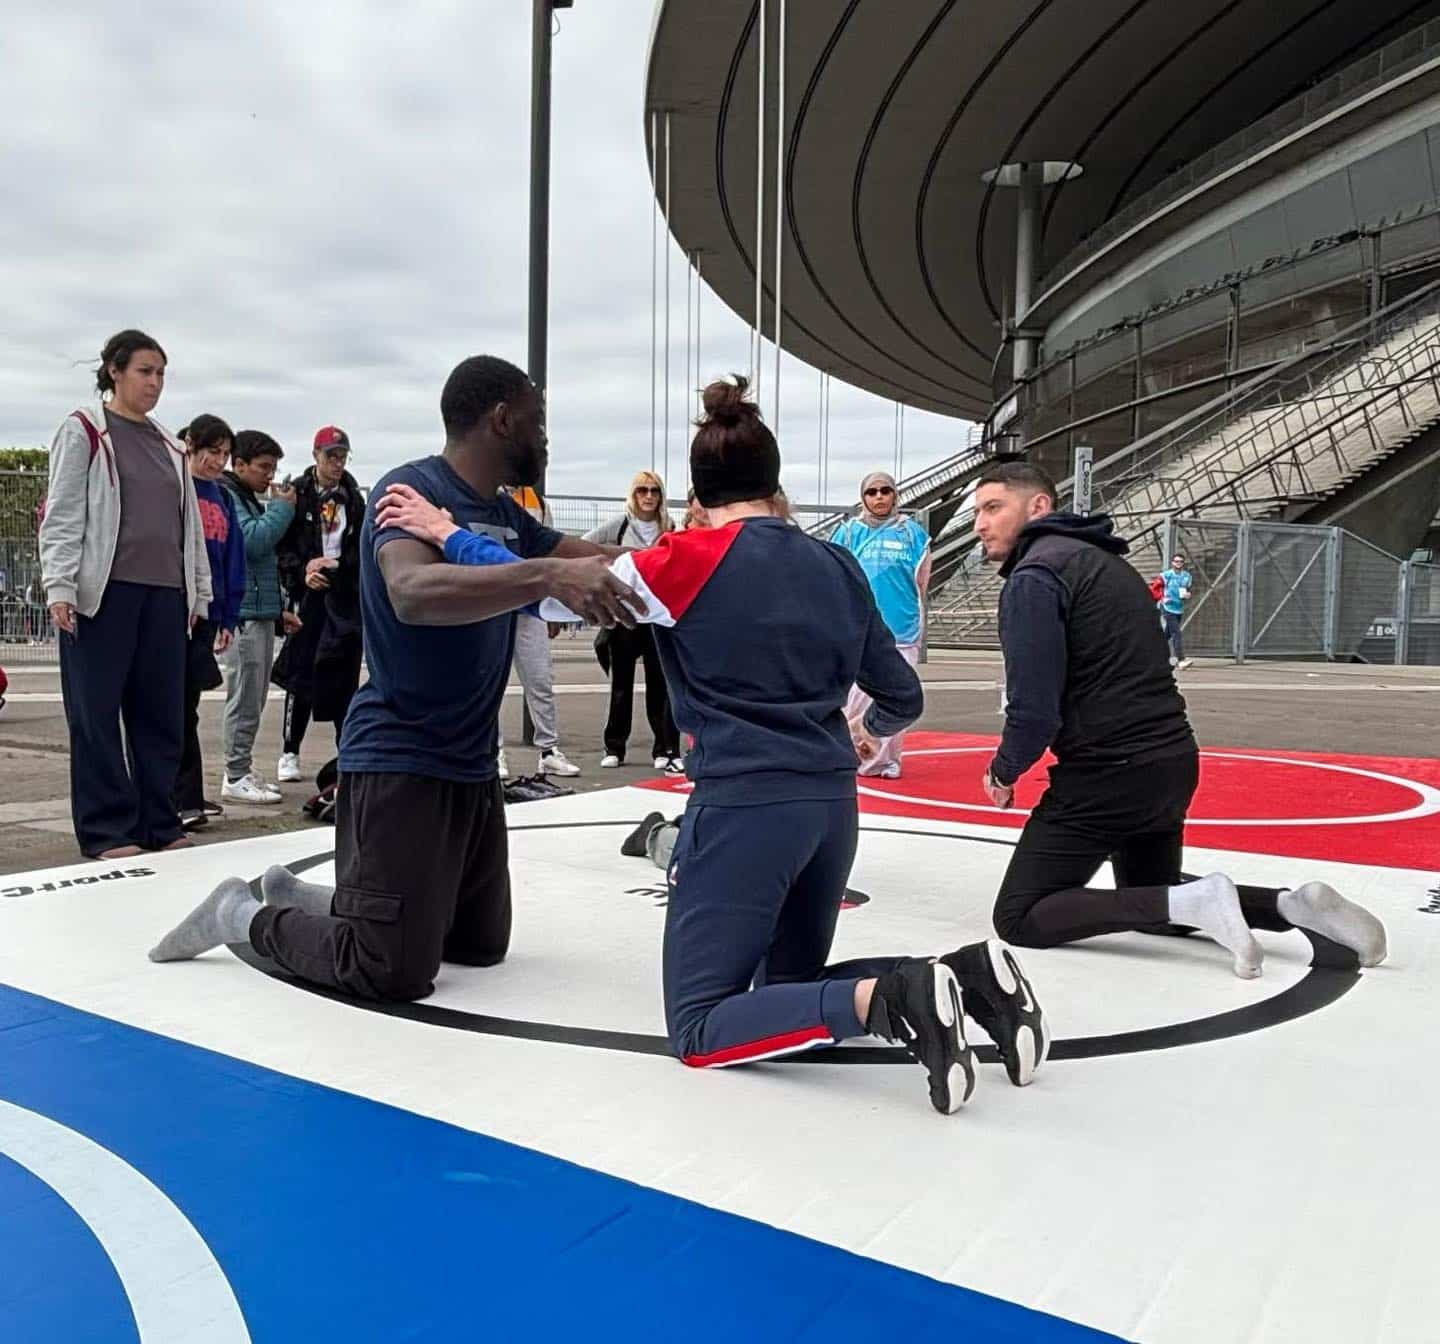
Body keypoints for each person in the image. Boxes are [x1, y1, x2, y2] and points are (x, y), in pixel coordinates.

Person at [397, 378, 1050, 1114]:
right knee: (792, 995)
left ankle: (893, 998)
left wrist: (448, 532)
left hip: (744, 807)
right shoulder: (837, 565)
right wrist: (862, 735)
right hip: (833, 808)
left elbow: (543, 590)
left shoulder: (680, 561)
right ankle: (964, 980)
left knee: (701, 1026)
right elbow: (903, 695)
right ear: (775, 486)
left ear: (697, 496)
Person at [149, 354, 646, 1006]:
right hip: (401, 761)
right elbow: (411, 590)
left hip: (469, 769)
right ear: (502, 419)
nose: (544, 437)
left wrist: (698, 552)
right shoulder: (406, 493)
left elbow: (602, 559)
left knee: (478, 946)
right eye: (537, 421)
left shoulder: (506, 513)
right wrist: (543, 578)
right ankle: (240, 916)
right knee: (389, 970)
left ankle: (333, 899)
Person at [974, 461, 1387, 976]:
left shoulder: (1036, 577)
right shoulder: (1107, 563)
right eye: (977, 512)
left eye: (993, 508)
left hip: (1107, 772)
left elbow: (1033, 708)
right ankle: (1290, 906)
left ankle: (1203, 901)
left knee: (1020, 915)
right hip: (1171, 760)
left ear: (1038, 507)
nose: (980, 525)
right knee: (1152, 896)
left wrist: (1004, 770)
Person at [39, 330, 212, 860]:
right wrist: (60, 585)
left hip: (164, 596)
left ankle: (159, 820)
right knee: (96, 713)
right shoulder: (86, 431)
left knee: (161, 715)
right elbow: (63, 514)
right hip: (104, 595)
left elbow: (190, 532)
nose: (155, 382)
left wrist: (198, 594)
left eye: (161, 373)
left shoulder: (171, 445)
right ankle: (107, 829)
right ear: (114, 371)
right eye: (144, 371)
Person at [273, 426, 365, 784]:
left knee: (344, 673)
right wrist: (302, 571)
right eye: (331, 456)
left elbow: (358, 548)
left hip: (342, 594)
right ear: (316, 456)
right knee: (301, 674)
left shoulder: (353, 498)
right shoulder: (296, 494)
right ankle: (289, 750)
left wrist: (340, 568)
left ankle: (348, 750)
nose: (337, 464)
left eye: (342, 456)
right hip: (306, 594)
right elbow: (283, 546)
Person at [830, 471, 931, 779]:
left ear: (894, 495)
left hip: (901, 630)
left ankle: (886, 761)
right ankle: (852, 756)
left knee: (895, 700)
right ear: (863, 498)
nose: (878, 497)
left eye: (885, 490)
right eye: (871, 492)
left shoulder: (913, 535)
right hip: (859, 630)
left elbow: (922, 582)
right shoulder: (847, 534)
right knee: (854, 701)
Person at [218, 431, 299, 804]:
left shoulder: (244, 497)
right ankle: (235, 773)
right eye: (264, 467)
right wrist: (282, 510)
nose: (270, 475)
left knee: (254, 696)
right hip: (245, 616)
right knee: (246, 696)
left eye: (273, 468)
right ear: (240, 464)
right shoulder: (231, 497)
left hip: (258, 611)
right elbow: (253, 542)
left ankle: (241, 768)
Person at [173, 416, 245, 830]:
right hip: (175, 610)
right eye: (212, 451)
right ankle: (178, 796)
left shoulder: (222, 498)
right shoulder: (176, 487)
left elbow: (232, 559)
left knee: (189, 706)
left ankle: (188, 795)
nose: (218, 461)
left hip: (207, 613)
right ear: (190, 445)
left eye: (224, 454)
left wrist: (226, 615)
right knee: (174, 706)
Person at [584, 471, 683, 772]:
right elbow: (586, 545)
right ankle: (614, 746)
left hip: (655, 616)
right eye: (642, 490)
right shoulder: (619, 524)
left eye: (654, 490)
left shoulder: (669, 527)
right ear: (634, 494)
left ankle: (664, 747)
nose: (649, 496)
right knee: (621, 683)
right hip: (623, 614)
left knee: (660, 684)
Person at [497, 484, 581, 782]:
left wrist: (553, 606)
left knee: (540, 679)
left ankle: (549, 751)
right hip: (494, 601)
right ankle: (495, 751)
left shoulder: (538, 501)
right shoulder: (487, 494)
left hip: (529, 603)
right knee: (494, 682)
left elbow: (549, 552)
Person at [1158, 552, 1193, 670]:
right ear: (1172, 563)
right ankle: (1181, 660)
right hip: (1167, 607)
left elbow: (1186, 590)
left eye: (1181, 561)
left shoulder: (1187, 576)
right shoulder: (1165, 575)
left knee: (1167, 634)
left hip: (1179, 608)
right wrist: (1162, 598)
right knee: (1176, 633)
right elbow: (1155, 588)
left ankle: (1152, 652)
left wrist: (1188, 595)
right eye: (1176, 561)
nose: (1178, 563)